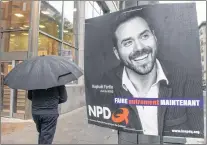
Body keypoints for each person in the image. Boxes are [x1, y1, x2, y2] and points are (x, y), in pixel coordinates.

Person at [97, 10, 204, 144]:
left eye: (144, 36)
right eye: (127, 43)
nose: (139, 48)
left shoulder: (186, 78)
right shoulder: (107, 82)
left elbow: (197, 133)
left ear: (155, 37)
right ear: (117, 53)